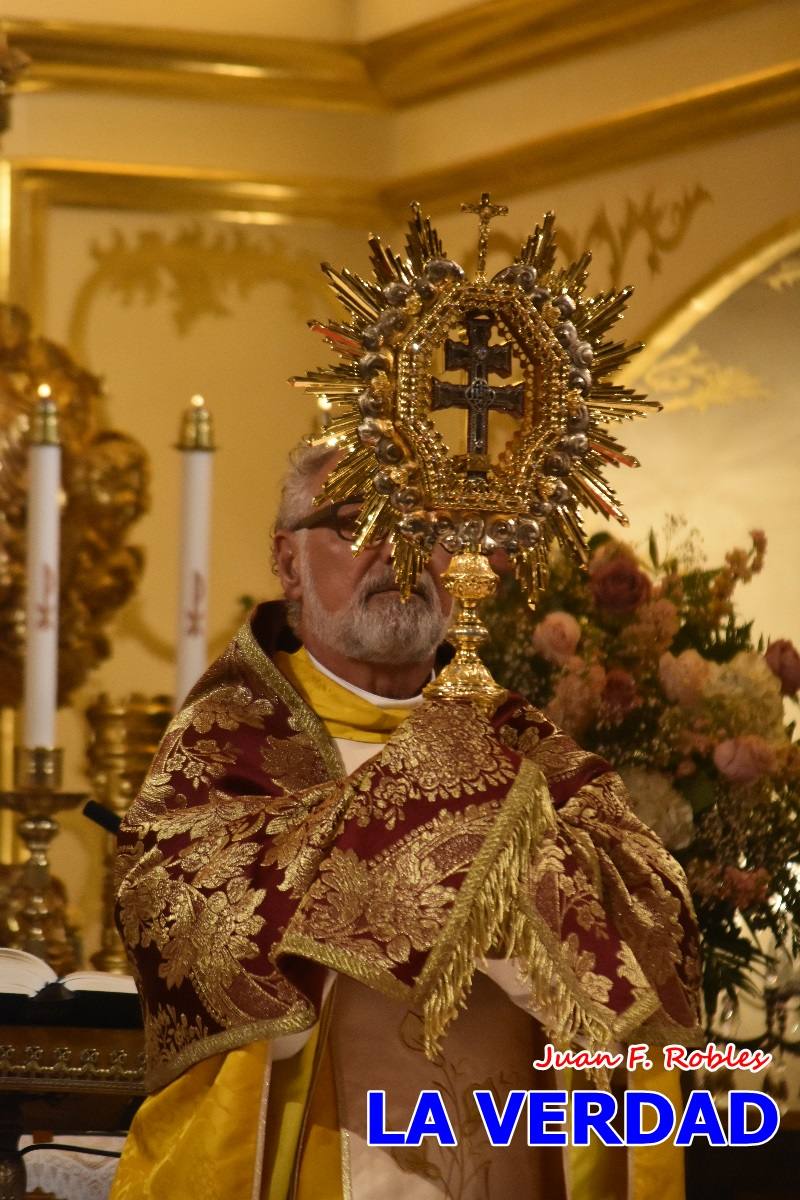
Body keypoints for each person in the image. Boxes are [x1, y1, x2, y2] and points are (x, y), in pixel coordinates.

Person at [110, 441, 702, 1200]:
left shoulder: (522, 745)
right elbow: (177, 924)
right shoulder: (228, 744)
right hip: (312, 1154)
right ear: (288, 562)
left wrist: (533, 923)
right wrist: (446, 867)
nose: (405, 551)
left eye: (435, 527)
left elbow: (658, 914)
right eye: (361, 524)